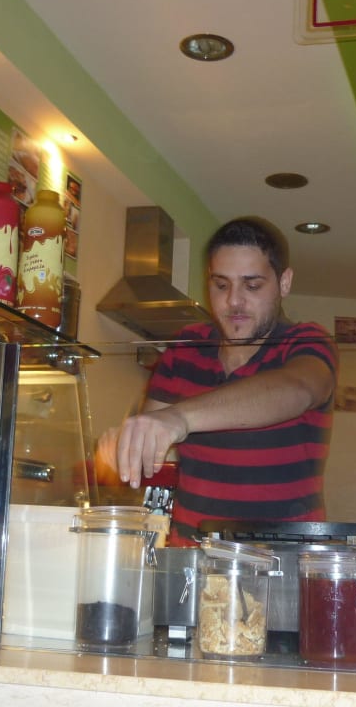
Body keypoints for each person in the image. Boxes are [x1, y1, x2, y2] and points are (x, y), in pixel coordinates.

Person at [98, 216, 337, 546]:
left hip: (280, 566)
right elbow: (152, 448)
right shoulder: (186, 349)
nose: (233, 301)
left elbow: (298, 388)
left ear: (284, 282)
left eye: (252, 286)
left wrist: (179, 418)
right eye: (221, 285)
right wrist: (124, 447)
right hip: (190, 561)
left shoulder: (307, 341)